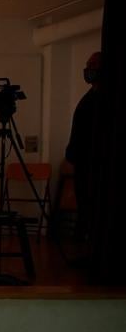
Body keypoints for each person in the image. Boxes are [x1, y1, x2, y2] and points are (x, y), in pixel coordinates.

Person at [65, 51, 101, 240]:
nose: (88, 70)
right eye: (87, 65)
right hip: (82, 165)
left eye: (93, 65)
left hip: (94, 166)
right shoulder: (89, 97)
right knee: (85, 210)